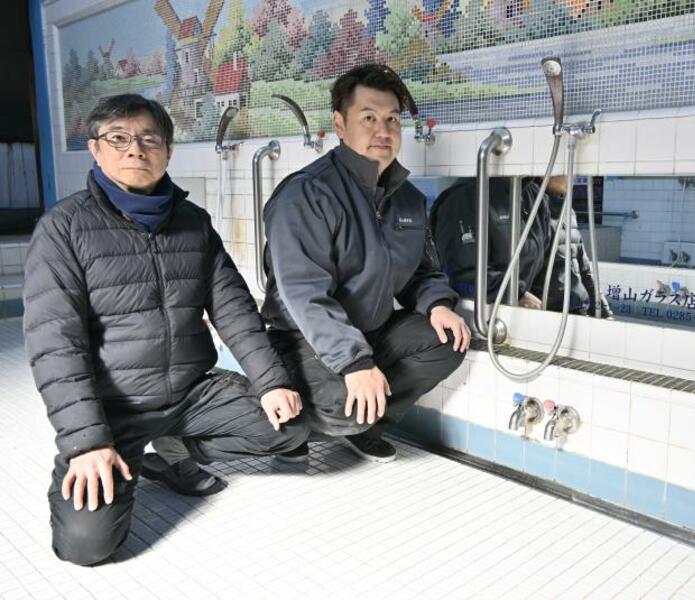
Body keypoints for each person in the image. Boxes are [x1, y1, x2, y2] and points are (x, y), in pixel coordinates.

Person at [23, 94, 309, 566]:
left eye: (149, 139)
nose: (135, 149)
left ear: (168, 151)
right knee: (86, 545)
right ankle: (135, 454)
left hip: (193, 393)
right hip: (117, 408)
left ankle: (175, 451)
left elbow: (234, 309)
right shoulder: (64, 228)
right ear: (95, 149)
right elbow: (55, 343)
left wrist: (271, 382)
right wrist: (87, 442)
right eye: (118, 138)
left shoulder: (193, 223)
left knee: (293, 427)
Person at [262, 64, 469, 463]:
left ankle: (366, 424)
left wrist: (437, 304)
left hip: (370, 331)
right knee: (343, 403)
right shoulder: (306, 195)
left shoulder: (408, 199)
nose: (383, 131)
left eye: (392, 119)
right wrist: (355, 363)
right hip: (302, 340)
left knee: (448, 340)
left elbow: (422, 271)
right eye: (369, 118)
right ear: (340, 125)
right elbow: (305, 294)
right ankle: (292, 427)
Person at [431, 176, 550, 309]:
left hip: (518, 311)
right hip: (476, 312)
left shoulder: (533, 195)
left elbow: (543, 263)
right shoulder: (465, 198)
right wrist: (514, 294)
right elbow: (461, 276)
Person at [530, 176, 613, 318]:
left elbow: (584, 269)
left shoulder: (568, 212)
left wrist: (604, 312)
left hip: (576, 309)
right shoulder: (530, 210)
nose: (570, 177)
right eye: (563, 172)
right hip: (548, 313)